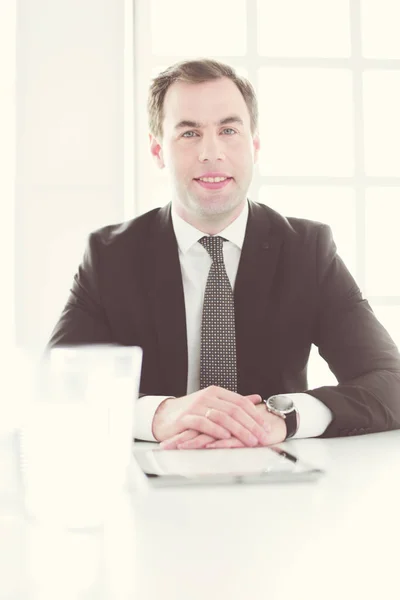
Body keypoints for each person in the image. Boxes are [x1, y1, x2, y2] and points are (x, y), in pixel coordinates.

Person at [48, 58, 400, 451]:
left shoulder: (307, 249)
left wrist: (284, 417)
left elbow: (390, 382)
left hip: (276, 477)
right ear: (157, 150)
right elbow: (58, 388)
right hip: (153, 476)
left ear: (254, 145)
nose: (211, 153)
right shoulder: (110, 256)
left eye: (228, 130)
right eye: (189, 133)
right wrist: (159, 414)